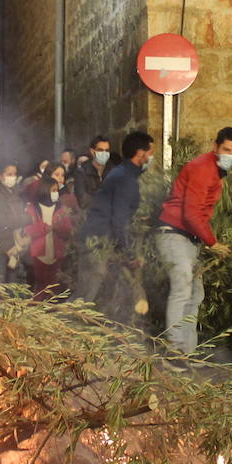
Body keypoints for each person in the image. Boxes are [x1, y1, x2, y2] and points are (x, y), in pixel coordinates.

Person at [156, 127, 232, 356]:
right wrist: (213, 243)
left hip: (189, 239)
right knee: (182, 292)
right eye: (226, 150)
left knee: (195, 295)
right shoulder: (203, 169)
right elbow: (191, 214)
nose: (230, 156)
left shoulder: (215, 172)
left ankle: (187, 352)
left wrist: (205, 240)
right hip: (175, 235)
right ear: (215, 147)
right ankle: (174, 351)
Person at [76, 131, 154, 322]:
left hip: (105, 237)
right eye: (150, 152)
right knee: (90, 288)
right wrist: (128, 253)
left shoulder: (122, 173)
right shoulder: (124, 178)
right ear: (140, 153)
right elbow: (119, 219)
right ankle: (66, 331)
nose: (152, 157)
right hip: (98, 238)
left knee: (109, 286)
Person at [24, 163, 78, 299]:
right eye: (56, 175)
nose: (60, 179)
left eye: (63, 175)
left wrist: (59, 226)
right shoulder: (33, 206)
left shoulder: (64, 204)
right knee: (39, 287)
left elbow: (69, 227)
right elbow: (27, 229)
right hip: (38, 253)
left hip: (57, 253)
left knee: (53, 288)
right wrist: (43, 228)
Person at [0, 161, 31, 283]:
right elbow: (1, 220)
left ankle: (10, 302)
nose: (13, 177)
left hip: (12, 244)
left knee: (11, 281)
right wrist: (25, 219)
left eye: (14, 174)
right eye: (9, 174)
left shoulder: (14, 192)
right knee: (0, 281)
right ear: (0, 175)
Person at [73, 135, 112, 210]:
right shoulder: (81, 173)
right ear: (92, 151)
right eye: (100, 150)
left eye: (107, 150)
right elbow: (83, 201)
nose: (104, 153)